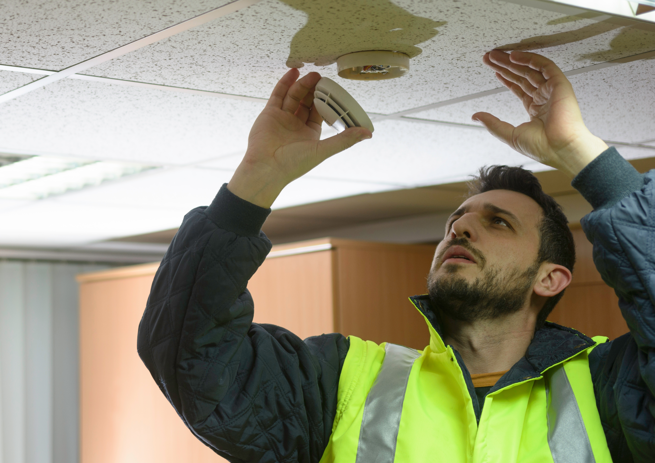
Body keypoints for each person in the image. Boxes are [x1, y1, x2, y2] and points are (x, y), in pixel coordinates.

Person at [137, 50, 654, 462]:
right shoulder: (345, 380)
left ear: (551, 279)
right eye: (456, 220)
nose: (462, 227)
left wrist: (580, 152)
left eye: (498, 222)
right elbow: (192, 360)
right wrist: (258, 176)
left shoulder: (611, 385)